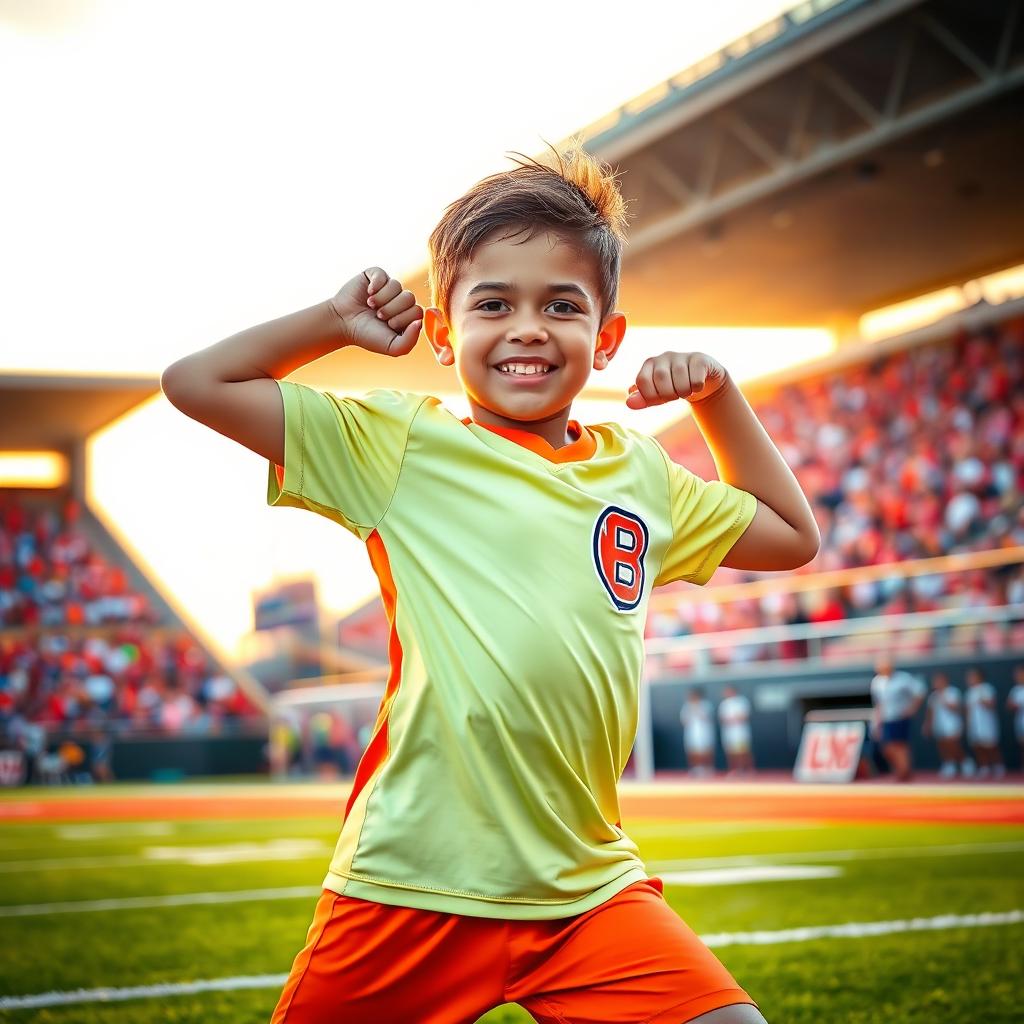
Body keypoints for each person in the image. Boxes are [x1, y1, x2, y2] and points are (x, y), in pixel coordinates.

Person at [162, 143, 820, 1024]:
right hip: (412, 882)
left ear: (607, 337)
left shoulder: (642, 472)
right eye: (493, 303)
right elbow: (196, 382)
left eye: (562, 304)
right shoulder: (399, 446)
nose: (528, 327)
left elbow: (790, 536)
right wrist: (331, 319)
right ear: (443, 333)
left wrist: (717, 397)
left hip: (585, 885)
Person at [869, 655, 926, 782]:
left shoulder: (903, 678)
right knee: (887, 748)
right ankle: (902, 769)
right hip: (886, 719)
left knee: (900, 745)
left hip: (900, 718)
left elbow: (920, 691)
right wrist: (877, 721)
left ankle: (904, 773)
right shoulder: (877, 682)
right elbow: (879, 704)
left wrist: (912, 709)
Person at [921, 671, 967, 778]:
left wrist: (943, 699)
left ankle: (965, 763)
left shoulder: (953, 692)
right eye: (935, 681)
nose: (936, 683)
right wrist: (927, 725)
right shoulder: (933, 696)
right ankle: (949, 765)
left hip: (953, 724)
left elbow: (956, 708)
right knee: (942, 746)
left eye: (938, 681)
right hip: (939, 725)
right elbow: (930, 713)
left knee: (953, 745)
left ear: (945, 680)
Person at [964, 666, 1005, 779]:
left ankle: (998, 766)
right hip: (974, 725)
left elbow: (991, 705)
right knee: (978, 746)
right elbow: (968, 710)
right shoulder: (970, 692)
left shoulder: (987, 689)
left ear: (979, 677)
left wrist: (983, 700)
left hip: (987, 724)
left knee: (991, 745)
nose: (969, 679)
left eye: (972, 677)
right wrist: (968, 724)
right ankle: (984, 767)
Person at [717, 684, 754, 775]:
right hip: (728, 733)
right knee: (730, 752)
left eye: (728, 691)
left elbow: (744, 716)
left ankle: (747, 770)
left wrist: (734, 719)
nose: (726, 693)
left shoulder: (742, 701)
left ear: (734, 691)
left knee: (743, 751)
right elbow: (722, 718)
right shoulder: (724, 704)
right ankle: (734, 770)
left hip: (740, 732)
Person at [680, 686, 716, 776]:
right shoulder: (687, 706)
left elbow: (707, 717)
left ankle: (708, 768)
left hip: (705, 732)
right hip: (691, 733)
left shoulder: (706, 705)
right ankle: (696, 768)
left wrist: (697, 710)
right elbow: (684, 720)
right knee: (692, 750)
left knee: (706, 750)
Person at [1007, 663, 1024, 773]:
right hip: (1020, 722)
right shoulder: (1015, 690)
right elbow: (1009, 706)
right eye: (1016, 674)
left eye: (1020, 673)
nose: (1018, 676)